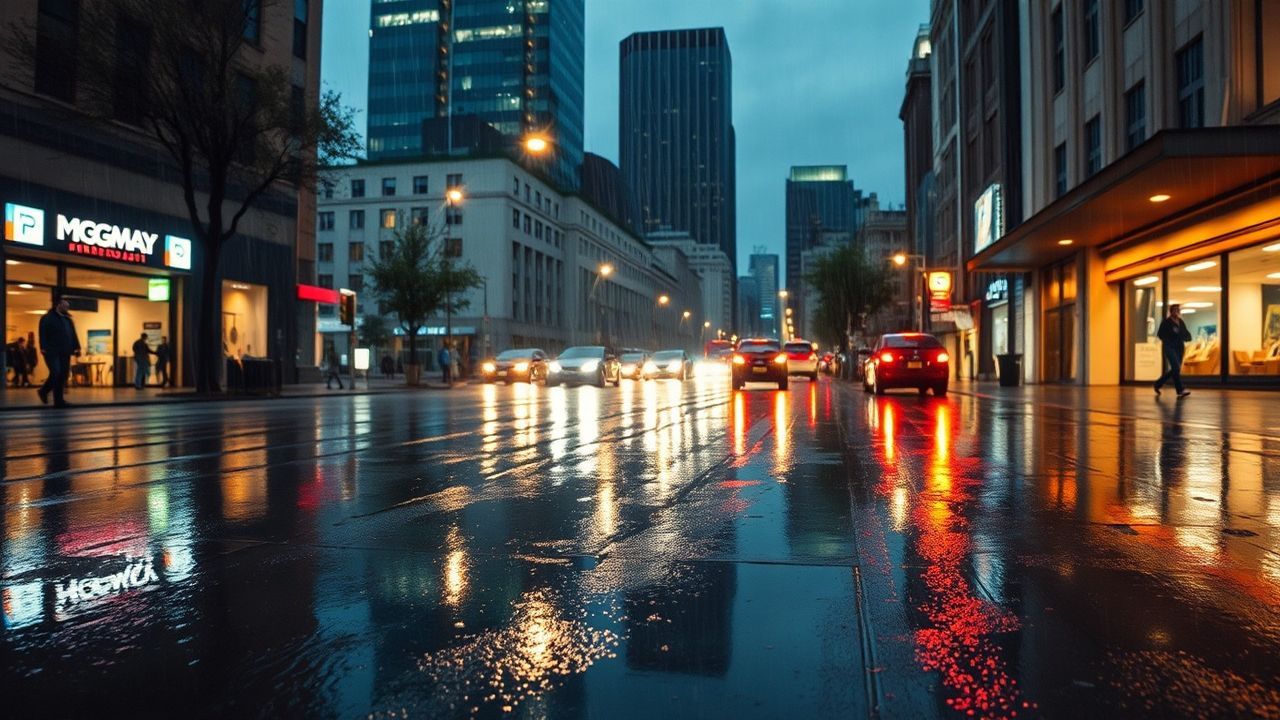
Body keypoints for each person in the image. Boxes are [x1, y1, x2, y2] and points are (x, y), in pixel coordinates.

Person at [38, 296, 80, 407]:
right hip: (51, 351)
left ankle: (59, 400)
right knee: (56, 372)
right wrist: (43, 347)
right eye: (65, 306)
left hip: (65, 351)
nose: (67, 308)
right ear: (59, 305)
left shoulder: (68, 319)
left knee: (63, 374)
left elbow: (73, 334)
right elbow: (42, 333)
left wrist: (77, 347)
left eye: (68, 306)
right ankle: (44, 390)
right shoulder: (47, 318)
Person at [1154, 303, 1194, 398]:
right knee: (1176, 367)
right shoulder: (1166, 322)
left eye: (1178, 310)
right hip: (1169, 347)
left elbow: (1186, 334)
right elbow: (1160, 335)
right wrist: (1170, 338)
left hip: (1179, 347)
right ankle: (1180, 390)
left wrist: (1185, 337)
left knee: (1176, 369)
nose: (1176, 312)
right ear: (1171, 311)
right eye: (1174, 310)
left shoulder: (1180, 322)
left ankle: (1158, 384)